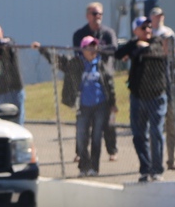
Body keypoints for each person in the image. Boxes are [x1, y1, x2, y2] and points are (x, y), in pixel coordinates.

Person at [34, 36, 115, 177]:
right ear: (82, 49)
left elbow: (110, 85)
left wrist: (112, 104)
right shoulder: (75, 64)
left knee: (96, 138)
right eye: (89, 47)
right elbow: (58, 60)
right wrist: (42, 50)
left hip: (100, 106)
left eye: (95, 47)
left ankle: (94, 168)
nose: (93, 50)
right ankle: (84, 166)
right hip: (83, 106)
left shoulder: (101, 65)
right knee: (81, 137)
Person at [115, 17, 170, 182]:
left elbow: (153, 52)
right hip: (138, 96)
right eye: (143, 27)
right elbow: (118, 54)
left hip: (156, 96)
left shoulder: (158, 41)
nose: (147, 30)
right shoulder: (134, 43)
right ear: (135, 31)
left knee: (156, 133)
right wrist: (134, 46)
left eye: (148, 27)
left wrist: (140, 49)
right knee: (139, 135)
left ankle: (157, 170)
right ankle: (145, 169)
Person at [73, 2, 119, 160]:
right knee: (83, 122)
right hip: (87, 79)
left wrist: (97, 50)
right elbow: (77, 53)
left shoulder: (107, 33)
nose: (98, 16)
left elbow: (114, 49)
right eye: (94, 14)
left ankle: (112, 150)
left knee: (108, 120)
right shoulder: (80, 34)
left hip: (105, 79)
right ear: (87, 16)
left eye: (100, 14)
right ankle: (80, 153)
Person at [0, 23, 26, 125]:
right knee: (3, 121)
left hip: (14, 89)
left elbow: (8, 44)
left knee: (16, 120)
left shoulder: (9, 44)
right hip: (1, 91)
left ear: (1, 33)